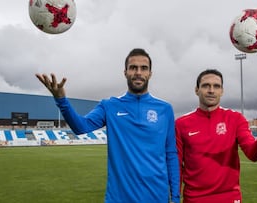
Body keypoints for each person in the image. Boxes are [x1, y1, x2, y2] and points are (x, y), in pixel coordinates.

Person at [36, 48, 180, 203]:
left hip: (157, 197)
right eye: (133, 68)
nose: (138, 72)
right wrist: (61, 100)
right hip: (119, 198)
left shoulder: (165, 109)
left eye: (143, 68)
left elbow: (170, 153)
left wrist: (176, 197)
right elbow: (81, 127)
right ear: (125, 72)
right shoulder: (110, 106)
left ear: (150, 73)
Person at [175, 69, 257, 203]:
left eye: (216, 86)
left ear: (222, 91)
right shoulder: (181, 124)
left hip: (229, 197)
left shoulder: (236, 119)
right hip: (194, 199)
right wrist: (174, 196)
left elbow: (253, 154)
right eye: (206, 85)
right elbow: (176, 165)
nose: (211, 90)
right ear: (196, 90)